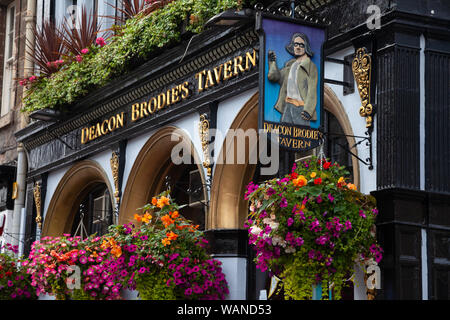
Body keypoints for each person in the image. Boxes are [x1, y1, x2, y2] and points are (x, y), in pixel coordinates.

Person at [267, 32, 318, 126]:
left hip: (301, 107)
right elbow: (274, 77)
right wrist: (272, 62)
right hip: (287, 105)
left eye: (301, 45)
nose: (298, 47)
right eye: (296, 44)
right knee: (284, 138)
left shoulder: (311, 67)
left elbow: (312, 91)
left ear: (306, 47)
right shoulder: (290, 65)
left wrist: (308, 110)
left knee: (303, 138)